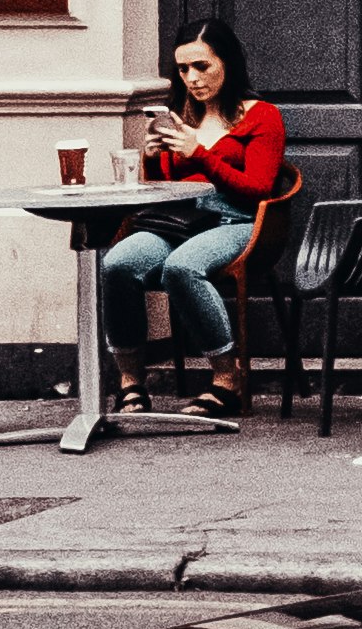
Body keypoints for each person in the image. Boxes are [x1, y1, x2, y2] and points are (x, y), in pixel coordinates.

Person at [105, 23, 287, 423]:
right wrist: (154, 158)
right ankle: (130, 382)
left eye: (202, 66)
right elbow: (164, 192)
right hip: (178, 221)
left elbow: (257, 188)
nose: (192, 79)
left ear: (228, 62)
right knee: (118, 263)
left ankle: (227, 379)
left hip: (236, 220)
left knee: (182, 267)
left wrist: (201, 153)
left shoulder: (262, 117)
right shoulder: (182, 117)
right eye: (184, 70)